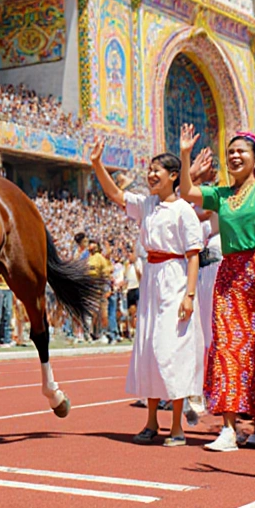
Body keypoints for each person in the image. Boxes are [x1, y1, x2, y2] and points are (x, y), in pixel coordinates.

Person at [176, 76, 255, 453]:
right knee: (226, 344)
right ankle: (228, 427)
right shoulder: (222, 194)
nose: (234, 156)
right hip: (229, 271)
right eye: (230, 152)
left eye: (242, 151)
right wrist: (184, 156)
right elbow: (188, 192)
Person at [91, 142, 204, 447]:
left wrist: (189, 295)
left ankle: (178, 426)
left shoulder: (183, 210)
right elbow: (115, 195)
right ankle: (152, 421)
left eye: (157, 170)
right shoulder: (147, 205)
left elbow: (193, 254)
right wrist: (97, 164)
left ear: (173, 175)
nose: (151, 174)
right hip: (151, 280)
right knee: (149, 349)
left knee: (173, 349)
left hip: (175, 278)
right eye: (150, 169)